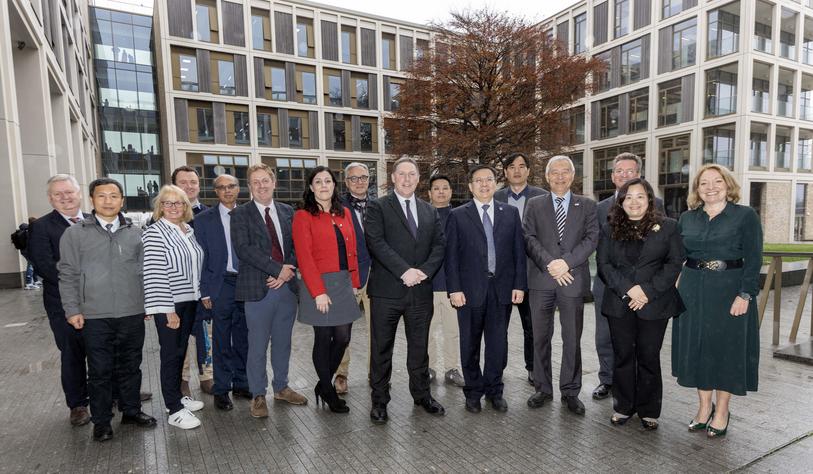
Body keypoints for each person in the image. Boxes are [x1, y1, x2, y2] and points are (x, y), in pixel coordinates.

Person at [58, 178, 157, 441]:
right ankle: (102, 421)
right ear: (92, 200)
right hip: (94, 315)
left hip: (131, 312)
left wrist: (147, 303)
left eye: (114, 196)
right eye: (102, 196)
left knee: (131, 366)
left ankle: (131, 410)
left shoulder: (135, 233)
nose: (108, 201)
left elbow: (144, 273)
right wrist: (72, 310)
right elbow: (67, 274)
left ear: (122, 201)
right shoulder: (75, 234)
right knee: (100, 370)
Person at [673, 164, 762, 438]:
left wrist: (745, 294)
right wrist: (675, 285)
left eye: (717, 181)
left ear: (728, 185)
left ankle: (722, 411)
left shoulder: (745, 216)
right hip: (691, 291)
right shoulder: (687, 218)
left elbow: (755, 258)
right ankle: (703, 408)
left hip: (729, 292)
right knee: (698, 348)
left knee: (725, 351)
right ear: (697, 189)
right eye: (704, 183)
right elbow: (677, 255)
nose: (710, 187)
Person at [596, 178, 684, 430]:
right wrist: (628, 289)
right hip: (618, 302)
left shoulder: (669, 227)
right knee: (623, 355)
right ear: (621, 201)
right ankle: (623, 406)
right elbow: (604, 265)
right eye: (628, 197)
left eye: (640, 196)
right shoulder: (609, 227)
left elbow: (674, 263)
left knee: (648, 356)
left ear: (649, 200)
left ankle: (648, 409)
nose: (634, 202)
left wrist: (646, 291)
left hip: (654, 303)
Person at [365, 157, 446, 424]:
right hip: (387, 291)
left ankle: (422, 395)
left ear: (419, 178)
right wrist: (405, 271)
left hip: (420, 292)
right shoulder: (377, 207)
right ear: (393, 178)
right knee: (381, 349)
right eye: (402, 174)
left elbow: (439, 246)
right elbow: (376, 243)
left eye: (412, 174)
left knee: (419, 348)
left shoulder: (429, 210)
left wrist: (423, 272)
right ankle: (379, 401)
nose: (407, 179)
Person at [445, 165, 526, 413]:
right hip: (469, 291)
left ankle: (494, 391)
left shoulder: (510, 213)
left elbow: (518, 253)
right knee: (469, 344)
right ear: (470, 186)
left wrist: (519, 285)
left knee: (497, 344)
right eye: (478, 181)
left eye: (488, 179)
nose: (484, 184)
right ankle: (473, 392)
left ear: (495, 184)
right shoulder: (458, 215)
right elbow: (451, 257)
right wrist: (454, 289)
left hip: (501, 290)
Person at [231, 164, 307, 419]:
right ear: (249, 187)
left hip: (286, 290)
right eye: (255, 182)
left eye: (265, 181)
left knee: (283, 343)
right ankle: (258, 394)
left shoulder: (288, 211)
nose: (261, 186)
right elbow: (244, 249)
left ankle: (282, 387)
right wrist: (277, 270)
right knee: (257, 345)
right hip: (258, 289)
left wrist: (288, 269)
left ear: (274, 183)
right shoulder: (240, 214)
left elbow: (298, 245)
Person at [524, 155, 598, 415]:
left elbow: (591, 239)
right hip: (541, 281)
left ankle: (570, 390)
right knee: (540, 337)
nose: (559, 176)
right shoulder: (534, 204)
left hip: (572, 281)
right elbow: (529, 237)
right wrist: (551, 264)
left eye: (564, 171)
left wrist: (565, 263)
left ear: (572, 175)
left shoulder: (587, 205)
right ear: (546, 177)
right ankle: (542, 388)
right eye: (554, 172)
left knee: (572, 339)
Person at [591, 153, 664, 401]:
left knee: (641, 339)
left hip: (644, 288)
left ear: (639, 175)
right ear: (612, 176)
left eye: (630, 171)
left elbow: (664, 245)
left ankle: (636, 384)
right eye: (619, 171)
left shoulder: (657, 204)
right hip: (608, 285)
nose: (624, 175)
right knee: (605, 336)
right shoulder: (599, 208)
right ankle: (607, 380)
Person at [293, 167, 361, 413]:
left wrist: (354, 282)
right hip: (318, 285)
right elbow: (305, 257)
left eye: (328, 181)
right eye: (318, 181)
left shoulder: (344, 213)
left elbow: (351, 251)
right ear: (311, 187)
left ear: (334, 185)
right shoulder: (303, 216)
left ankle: (323, 384)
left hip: (343, 283)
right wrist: (317, 291)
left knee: (343, 338)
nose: (324, 185)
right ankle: (328, 389)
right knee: (323, 338)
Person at [28, 174, 91, 426]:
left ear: (79, 193)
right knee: (73, 353)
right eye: (58, 194)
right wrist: (85, 284)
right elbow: (45, 266)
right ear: (50, 198)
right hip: (63, 303)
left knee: (105, 348)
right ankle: (77, 404)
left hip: (101, 301)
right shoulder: (42, 227)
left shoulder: (93, 220)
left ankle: (117, 393)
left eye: (69, 192)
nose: (65, 197)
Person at [143, 185, 206, 430]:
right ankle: (173, 408)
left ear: (185, 206)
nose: (173, 207)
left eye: (178, 203)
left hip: (189, 300)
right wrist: (167, 310)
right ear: (160, 207)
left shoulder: (188, 230)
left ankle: (179, 397)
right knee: (170, 354)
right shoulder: (154, 233)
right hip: (169, 303)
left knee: (180, 352)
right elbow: (154, 274)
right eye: (167, 203)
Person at [194, 174, 251, 411]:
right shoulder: (204, 219)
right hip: (220, 285)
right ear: (215, 191)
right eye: (221, 187)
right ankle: (221, 389)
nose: (227, 191)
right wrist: (204, 292)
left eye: (231, 186)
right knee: (221, 339)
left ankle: (241, 382)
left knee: (244, 336)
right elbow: (200, 257)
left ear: (239, 189)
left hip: (247, 283)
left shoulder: (249, 215)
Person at [494, 152, 547, 385]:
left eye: (522, 166)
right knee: (498, 329)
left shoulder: (542, 197)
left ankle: (533, 368)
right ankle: (497, 369)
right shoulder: (494, 197)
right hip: (500, 277)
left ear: (528, 171)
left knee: (532, 328)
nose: (517, 170)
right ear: (505, 172)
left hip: (531, 275)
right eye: (511, 166)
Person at [172, 166, 214, 397]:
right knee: (181, 336)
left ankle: (207, 376)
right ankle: (183, 378)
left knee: (207, 333)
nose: (189, 186)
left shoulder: (209, 215)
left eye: (193, 182)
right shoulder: (163, 218)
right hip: (179, 290)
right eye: (183, 182)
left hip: (205, 287)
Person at [335, 162, 373, 394]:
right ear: (346, 182)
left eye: (363, 177)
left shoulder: (380, 206)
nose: (359, 182)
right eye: (353, 178)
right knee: (342, 331)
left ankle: (375, 372)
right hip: (348, 277)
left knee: (377, 330)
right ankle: (341, 373)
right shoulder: (336, 207)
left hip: (377, 276)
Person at [427, 174, 464, 387]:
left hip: (453, 286)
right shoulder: (423, 215)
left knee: (453, 331)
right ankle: (429, 368)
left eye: (445, 188)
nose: (441, 191)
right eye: (436, 188)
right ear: (430, 193)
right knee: (428, 331)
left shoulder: (459, 216)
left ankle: (452, 369)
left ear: (450, 191)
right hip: (427, 286)